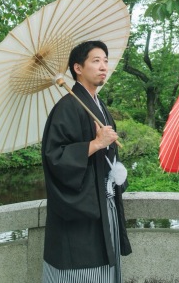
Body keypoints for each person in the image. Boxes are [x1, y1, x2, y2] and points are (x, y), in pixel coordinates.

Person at [41, 40, 132, 282]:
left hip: (105, 204)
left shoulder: (98, 106)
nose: (103, 66)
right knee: (82, 270)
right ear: (78, 68)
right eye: (96, 61)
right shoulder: (66, 108)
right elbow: (54, 157)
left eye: (105, 61)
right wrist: (95, 144)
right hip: (83, 210)